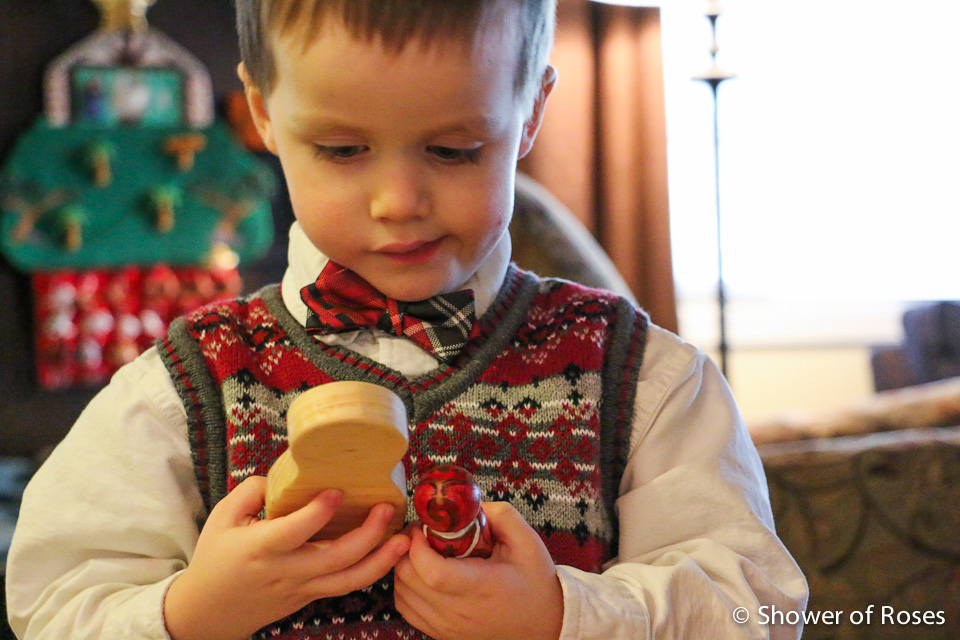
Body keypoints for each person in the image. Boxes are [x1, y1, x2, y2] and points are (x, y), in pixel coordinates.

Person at [6, 1, 808, 639]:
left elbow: (759, 607)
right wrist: (189, 614)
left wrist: (566, 617)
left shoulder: (646, 380)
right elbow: (52, 602)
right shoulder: (179, 389)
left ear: (529, 112)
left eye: (455, 150)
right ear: (263, 113)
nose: (399, 203)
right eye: (344, 150)